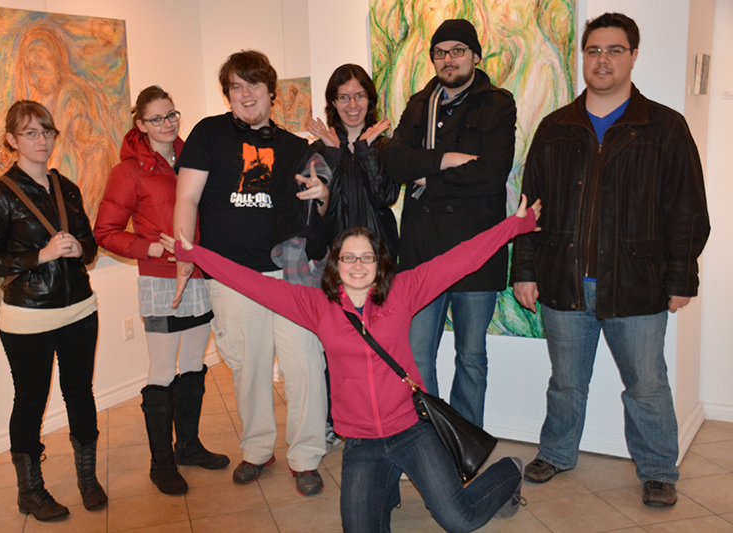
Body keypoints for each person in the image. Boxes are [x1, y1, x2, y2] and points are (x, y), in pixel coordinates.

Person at [175, 195, 540, 532]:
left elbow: (462, 258)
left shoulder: (403, 290)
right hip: (362, 443)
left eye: (367, 257)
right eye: (348, 257)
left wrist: (515, 225)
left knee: (460, 519)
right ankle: (386, 489)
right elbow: (253, 284)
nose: (358, 265)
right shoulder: (317, 306)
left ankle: (509, 470)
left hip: (412, 431)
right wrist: (197, 255)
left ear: (379, 262)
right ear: (336, 263)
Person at [510, 13, 710, 508]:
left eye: (615, 50)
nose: (603, 60)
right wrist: (525, 270)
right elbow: (529, 210)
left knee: (647, 386)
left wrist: (681, 278)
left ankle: (658, 470)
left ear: (633, 56)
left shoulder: (665, 127)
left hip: (637, 283)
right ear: (583, 57)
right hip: (564, 280)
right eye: (594, 50)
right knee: (566, 382)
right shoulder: (555, 128)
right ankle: (556, 452)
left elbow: (688, 211)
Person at [172, 50, 332, 496]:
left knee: (304, 365)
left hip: (292, 278)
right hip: (232, 277)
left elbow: (319, 212)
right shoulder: (208, 133)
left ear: (271, 91)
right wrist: (185, 255)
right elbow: (186, 198)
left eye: (253, 85)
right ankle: (258, 450)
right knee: (248, 368)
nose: (245, 95)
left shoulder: (296, 148)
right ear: (227, 93)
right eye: (236, 87)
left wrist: (322, 195)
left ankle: (306, 456)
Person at [0, 101, 106, 521]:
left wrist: (79, 248)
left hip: (80, 308)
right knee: (31, 400)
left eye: (47, 131)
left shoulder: (67, 188)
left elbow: (90, 248)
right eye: (31, 133)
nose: (42, 140)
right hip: (27, 316)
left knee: (80, 393)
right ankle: (30, 492)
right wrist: (41, 255)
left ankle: (88, 478)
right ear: (12, 140)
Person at [94, 86, 230, 496]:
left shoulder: (194, 158)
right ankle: (162, 462)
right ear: (141, 124)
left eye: (172, 115)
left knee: (193, 364)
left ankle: (188, 446)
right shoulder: (128, 172)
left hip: (199, 275)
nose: (167, 124)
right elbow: (105, 232)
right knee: (162, 370)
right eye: (157, 118)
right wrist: (152, 248)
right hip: (159, 281)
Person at [383, 19, 518, 428]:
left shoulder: (498, 103)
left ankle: (465, 442)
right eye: (440, 52)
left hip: (476, 251)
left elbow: (492, 174)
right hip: (422, 251)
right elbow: (394, 162)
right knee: (418, 355)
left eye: (458, 51)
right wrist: (446, 160)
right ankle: (428, 438)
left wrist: (428, 178)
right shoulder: (418, 104)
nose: (449, 59)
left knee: (471, 356)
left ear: (475, 56)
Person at [307, 64, 400, 258]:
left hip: (378, 254)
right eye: (343, 97)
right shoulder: (318, 151)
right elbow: (321, 207)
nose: (352, 105)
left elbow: (384, 198)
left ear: (369, 99)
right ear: (333, 102)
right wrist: (333, 154)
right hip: (333, 256)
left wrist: (365, 151)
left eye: (359, 96)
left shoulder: (385, 147)